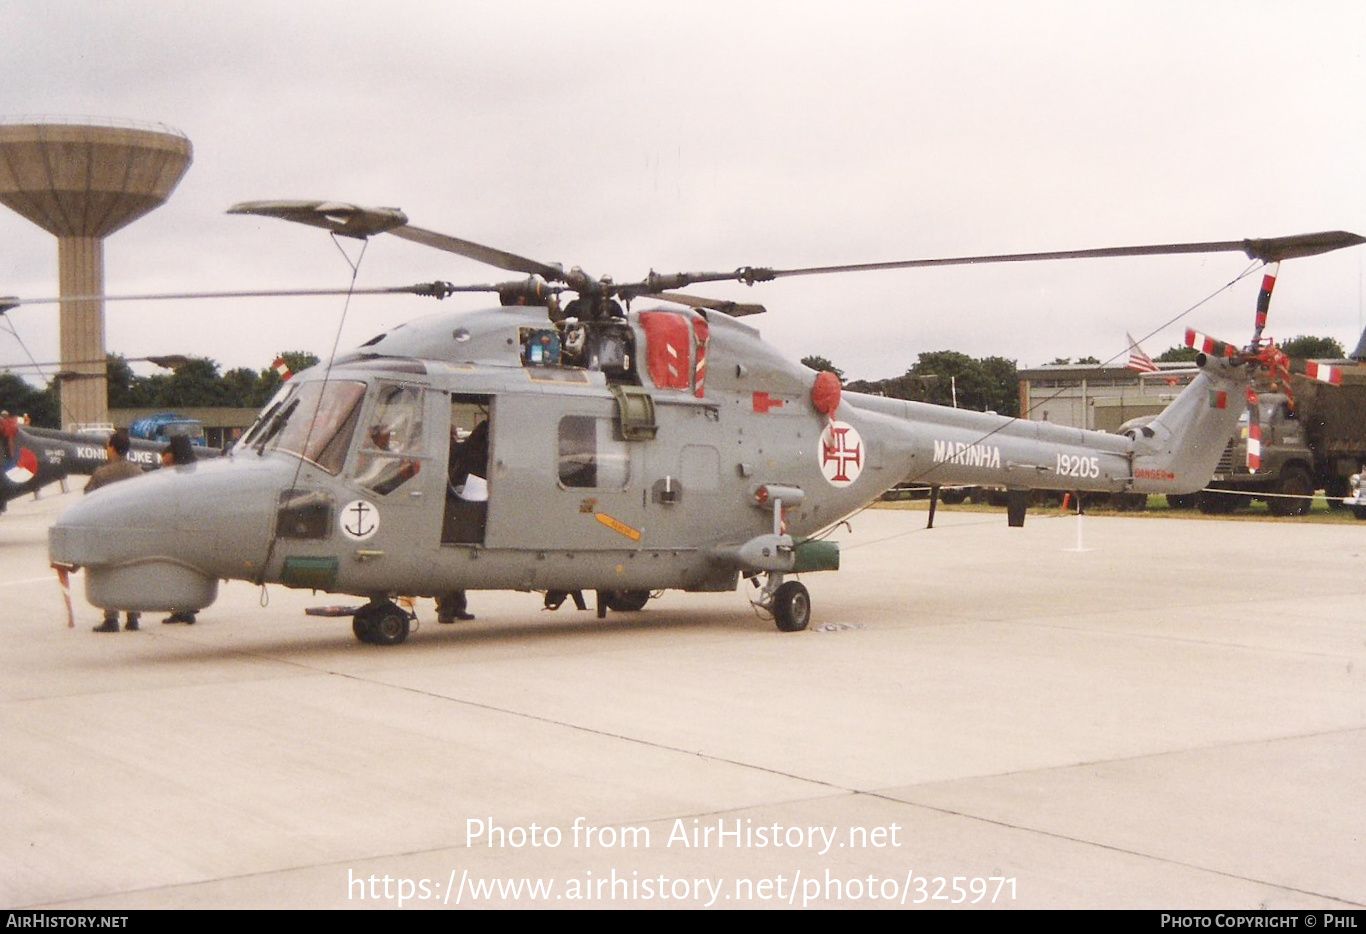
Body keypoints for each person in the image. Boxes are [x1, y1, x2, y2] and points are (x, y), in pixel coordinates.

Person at [86, 429, 144, 632]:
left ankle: (111, 617)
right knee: (133, 572)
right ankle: (134, 617)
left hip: (109, 531)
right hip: (133, 531)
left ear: (112, 448)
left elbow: (88, 497)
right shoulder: (138, 472)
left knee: (109, 573)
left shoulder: (102, 474)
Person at [160, 435, 199, 625]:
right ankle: (184, 609)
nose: (165, 467)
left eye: (167, 463)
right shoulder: (194, 472)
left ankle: (183, 609)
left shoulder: (182, 476)